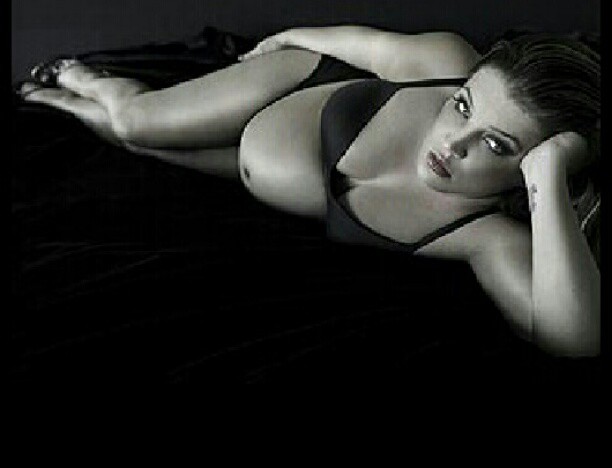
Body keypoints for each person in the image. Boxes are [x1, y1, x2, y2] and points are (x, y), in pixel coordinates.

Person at [16, 25, 601, 357]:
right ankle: (87, 79)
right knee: (135, 125)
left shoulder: (485, 237)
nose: (454, 142)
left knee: (139, 149)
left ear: (530, 170)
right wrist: (285, 38)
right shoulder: (444, 62)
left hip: (246, 165)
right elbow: (363, 46)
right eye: (463, 107)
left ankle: (65, 103)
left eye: (495, 145)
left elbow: (573, 340)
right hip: (289, 88)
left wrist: (550, 174)